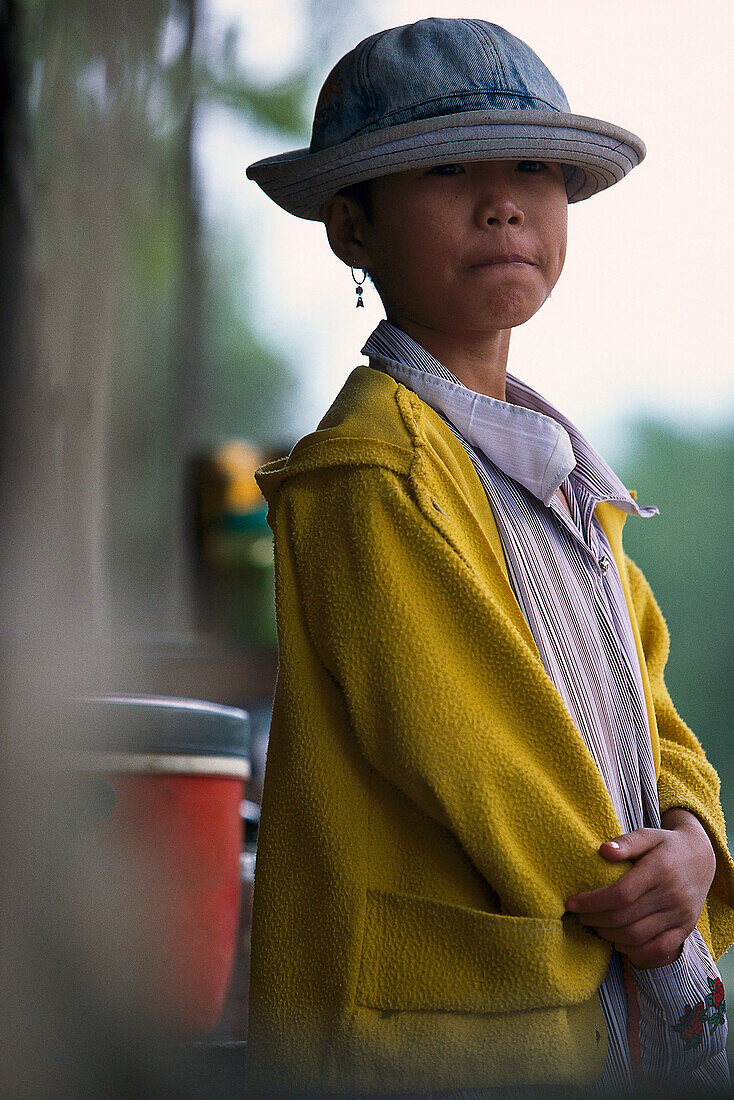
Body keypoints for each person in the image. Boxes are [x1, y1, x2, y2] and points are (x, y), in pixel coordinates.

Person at [245, 18, 734, 1097]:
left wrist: (695, 835)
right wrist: (650, 899)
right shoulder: (367, 473)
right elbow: (479, 754)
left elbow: (646, 701)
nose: (503, 200)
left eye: (531, 169)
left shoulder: (561, 473)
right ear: (351, 228)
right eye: (447, 168)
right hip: (435, 1037)